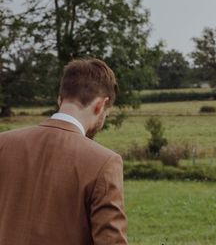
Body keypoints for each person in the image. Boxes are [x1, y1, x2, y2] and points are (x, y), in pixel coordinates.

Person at [0, 58, 127, 245]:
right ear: (101, 105)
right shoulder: (105, 162)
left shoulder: (3, 143)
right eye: (106, 114)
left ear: (60, 99)